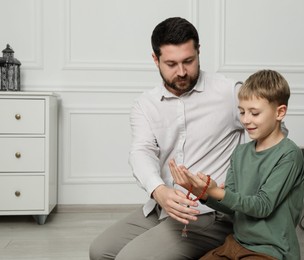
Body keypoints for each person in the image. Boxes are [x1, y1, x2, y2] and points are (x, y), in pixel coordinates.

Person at [89, 17, 244, 260]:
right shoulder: (145, 104)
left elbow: (274, 135)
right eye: (171, 63)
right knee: (100, 252)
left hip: (209, 212)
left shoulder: (229, 92)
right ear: (155, 59)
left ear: (199, 52)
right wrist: (158, 190)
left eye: (188, 61)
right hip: (164, 207)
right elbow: (141, 152)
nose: (182, 72)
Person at [170, 70, 304, 260]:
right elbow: (231, 207)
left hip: (271, 251)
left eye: (254, 113)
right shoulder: (240, 152)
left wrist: (217, 191)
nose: (245, 120)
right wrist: (200, 191)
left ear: (280, 112)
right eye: (242, 112)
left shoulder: (289, 154)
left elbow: (262, 206)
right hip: (235, 243)